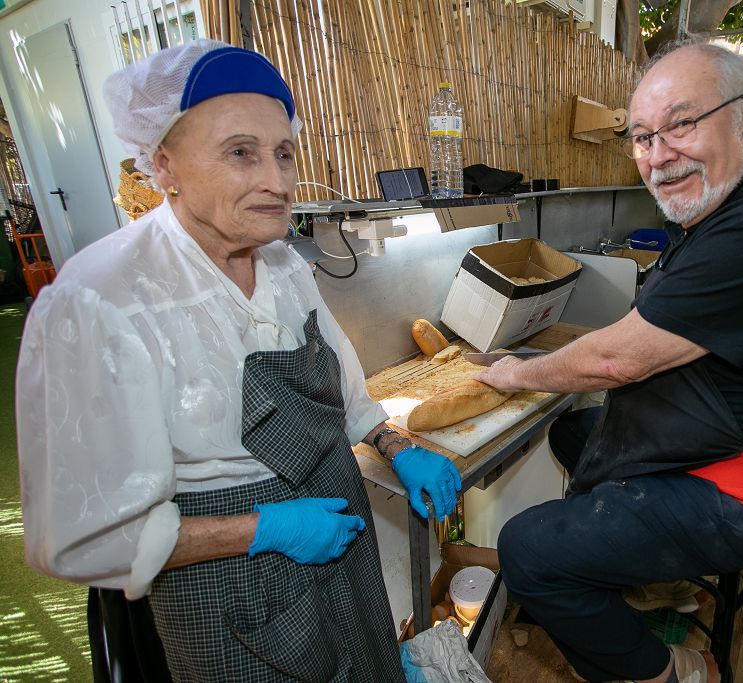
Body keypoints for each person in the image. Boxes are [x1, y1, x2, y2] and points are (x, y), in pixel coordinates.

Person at [15, 39, 461, 682]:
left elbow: (343, 389)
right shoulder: (102, 301)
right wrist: (261, 529)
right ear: (164, 163)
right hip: (227, 588)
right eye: (240, 153)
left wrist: (395, 444)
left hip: (340, 541)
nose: (277, 182)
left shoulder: (284, 265)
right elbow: (80, 535)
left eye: (284, 153)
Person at [477, 38, 743, 683]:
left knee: (528, 551)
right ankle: (641, 576)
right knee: (574, 430)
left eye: (681, 124)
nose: (658, 155)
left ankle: (671, 671)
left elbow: (617, 360)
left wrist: (516, 373)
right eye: (644, 136)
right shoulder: (731, 208)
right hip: (718, 442)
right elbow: (650, 333)